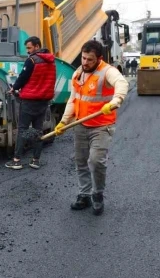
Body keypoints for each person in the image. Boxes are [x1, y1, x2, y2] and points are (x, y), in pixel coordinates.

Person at [54, 40, 129, 215]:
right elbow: (73, 100)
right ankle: (84, 194)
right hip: (80, 124)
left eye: (90, 59)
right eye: (83, 58)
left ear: (99, 59)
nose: (85, 62)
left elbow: (122, 83)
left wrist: (116, 100)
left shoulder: (107, 72)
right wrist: (64, 122)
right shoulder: (78, 74)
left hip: (102, 126)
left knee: (96, 161)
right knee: (80, 162)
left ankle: (97, 194)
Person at [5, 36, 56, 170]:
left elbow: (23, 77)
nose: (28, 51)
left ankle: (17, 161)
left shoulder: (32, 60)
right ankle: (35, 160)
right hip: (43, 100)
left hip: (29, 101)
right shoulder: (51, 61)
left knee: (23, 129)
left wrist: (14, 88)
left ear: (37, 46)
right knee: (38, 130)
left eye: (29, 48)